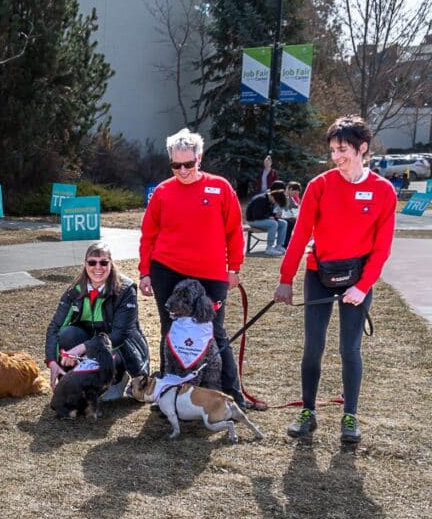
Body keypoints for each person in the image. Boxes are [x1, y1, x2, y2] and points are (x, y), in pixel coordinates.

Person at [274, 115, 396, 443]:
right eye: (332, 150)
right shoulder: (320, 186)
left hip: (356, 279)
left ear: (363, 148)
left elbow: (382, 248)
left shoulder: (383, 191)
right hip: (319, 274)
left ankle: (350, 417)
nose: (337, 156)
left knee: (350, 349)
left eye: (342, 149)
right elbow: (299, 236)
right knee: (313, 346)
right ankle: (308, 411)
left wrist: (363, 285)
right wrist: (286, 279)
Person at [139, 128, 247, 408]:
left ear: (200, 158)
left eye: (189, 163)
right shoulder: (162, 192)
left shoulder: (220, 187)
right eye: (177, 165)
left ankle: (231, 395)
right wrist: (145, 271)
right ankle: (167, 395)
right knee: (169, 331)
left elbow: (235, 230)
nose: (183, 170)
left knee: (215, 332)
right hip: (168, 271)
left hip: (211, 275)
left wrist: (233, 267)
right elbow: (148, 234)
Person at [44, 241, 150, 398]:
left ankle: (118, 379)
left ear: (111, 264)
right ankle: (75, 382)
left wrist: (82, 348)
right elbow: (55, 327)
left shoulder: (126, 289)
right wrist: (52, 361)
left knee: (108, 394)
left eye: (103, 262)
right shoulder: (75, 291)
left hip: (118, 347)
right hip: (90, 345)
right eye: (92, 262)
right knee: (67, 334)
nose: (98, 267)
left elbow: (119, 335)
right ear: (85, 264)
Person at [245, 188, 289, 256]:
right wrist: (269, 217)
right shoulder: (260, 199)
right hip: (253, 221)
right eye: (276, 201)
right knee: (273, 224)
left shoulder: (269, 200)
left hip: (262, 219)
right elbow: (256, 215)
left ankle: (279, 246)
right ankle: (269, 248)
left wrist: (275, 216)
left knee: (283, 223)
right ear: (273, 197)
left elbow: (269, 214)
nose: (275, 203)